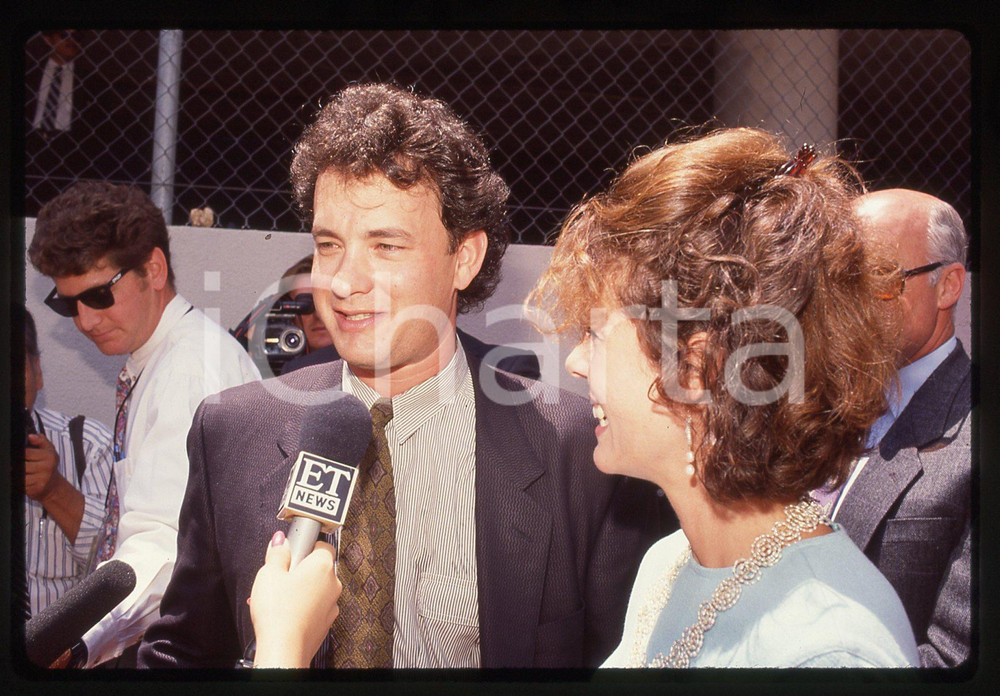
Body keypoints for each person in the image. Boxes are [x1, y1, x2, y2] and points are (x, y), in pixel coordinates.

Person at [138, 82, 666, 669]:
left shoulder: (577, 448)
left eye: (386, 245)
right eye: (329, 245)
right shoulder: (231, 432)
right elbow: (184, 651)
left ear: (463, 258)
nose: (343, 281)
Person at [528, 129, 919, 667]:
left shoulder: (826, 652)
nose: (573, 362)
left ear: (697, 368)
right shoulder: (671, 564)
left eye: (596, 335)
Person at [28, 181, 261, 667]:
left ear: (153, 269)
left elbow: (164, 544)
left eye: (97, 295)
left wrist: (79, 642)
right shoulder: (164, 357)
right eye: (67, 304)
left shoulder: (189, 368)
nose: (85, 321)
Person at [825, 189, 971, 667]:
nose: (852, 301)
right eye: (842, 279)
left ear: (948, 286)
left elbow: (953, 660)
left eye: (880, 278)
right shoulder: (813, 403)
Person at [20, 306, 114, 616]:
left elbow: (114, 568)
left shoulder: (88, 446)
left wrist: (54, 490)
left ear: (37, 370)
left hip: (59, 655)